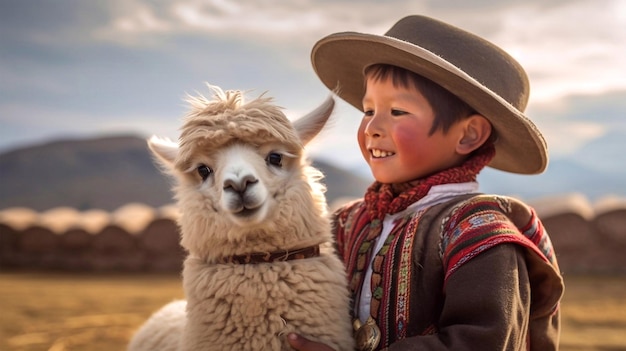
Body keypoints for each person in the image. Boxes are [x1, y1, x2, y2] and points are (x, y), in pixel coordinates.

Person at [287, 15, 564, 351]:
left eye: (398, 111)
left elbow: (481, 342)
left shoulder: (480, 234)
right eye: (368, 110)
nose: (372, 127)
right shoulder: (347, 222)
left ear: (468, 134)